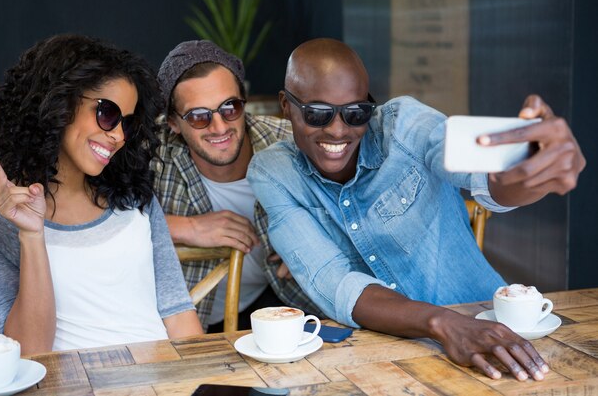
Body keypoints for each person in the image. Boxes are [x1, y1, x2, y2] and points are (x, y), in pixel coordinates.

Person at [247, 38, 585, 380]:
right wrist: (443, 324)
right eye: (318, 113)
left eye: (355, 113)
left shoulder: (404, 126)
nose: (338, 130)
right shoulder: (273, 173)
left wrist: (532, 165)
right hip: (382, 364)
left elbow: (480, 173)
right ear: (285, 105)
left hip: (495, 336)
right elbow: (336, 283)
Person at [0, 34, 203, 355]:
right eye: (107, 113)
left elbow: (178, 314)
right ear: (58, 103)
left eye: (127, 122)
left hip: (162, 382)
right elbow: (27, 352)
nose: (118, 135)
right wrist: (31, 235)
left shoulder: (136, 198)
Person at [155, 40, 322, 331]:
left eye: (229, 107)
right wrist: (185, 227)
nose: (219, 127)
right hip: (193, 326)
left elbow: (358, 197)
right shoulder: (151, 155)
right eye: (198, 117)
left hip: (288, 306)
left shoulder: (289, 143)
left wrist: (316, 241)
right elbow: (87, 218)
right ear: (172, 123)